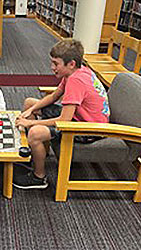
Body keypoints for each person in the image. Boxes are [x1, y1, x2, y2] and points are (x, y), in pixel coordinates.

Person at [13, 39, 110, 190]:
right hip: (79, 118)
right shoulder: (77, 71)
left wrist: (30, 123)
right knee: (30, 103)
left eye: (56, 64)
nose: (52, 67)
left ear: (70, 64)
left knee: (35, 132)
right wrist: (30, 111)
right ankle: (39, 153)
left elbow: (64, 120)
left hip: (90, 129)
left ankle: (39, 177)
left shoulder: (76, 81)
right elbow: (53, 97)